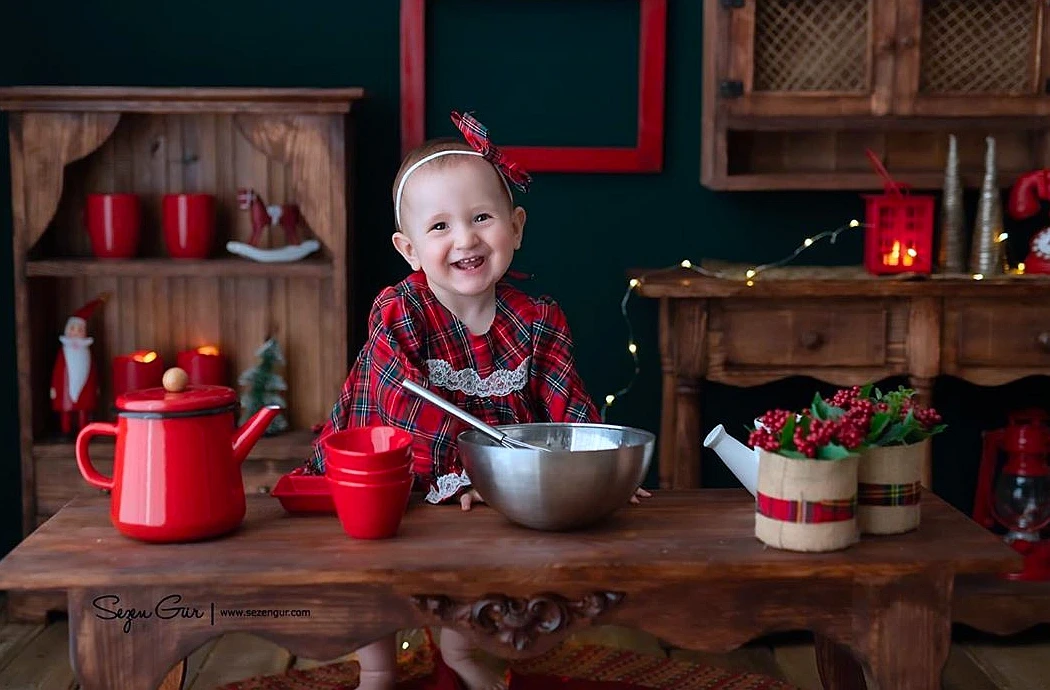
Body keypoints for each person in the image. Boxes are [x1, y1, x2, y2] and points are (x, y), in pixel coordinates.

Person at [307, 111, 649, 690]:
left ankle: (462, 651)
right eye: (439, 227)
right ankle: (377, 668)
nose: (465, 238)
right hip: (394, 470)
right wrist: (459, 476)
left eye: (481, 218)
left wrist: (598, 471)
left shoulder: (537, 320)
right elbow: (403, 409)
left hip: (487, 487)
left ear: (515, 227)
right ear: (409, 248)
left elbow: (569, 406)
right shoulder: (398, 313)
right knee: (370, 563)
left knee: (473, 564)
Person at [50, 294, 107, 435]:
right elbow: (58, 372)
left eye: (79, 330)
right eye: (72, 329)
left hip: (85, 390)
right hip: (65, 390)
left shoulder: (86, 353)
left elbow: (92, 370)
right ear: (67, 330)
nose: (75, 333)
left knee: (84, 410)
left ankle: (84, 431)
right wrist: (54, 387)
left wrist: (96, 387)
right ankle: (66, 430)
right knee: (66, 411)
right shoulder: (63, 353)